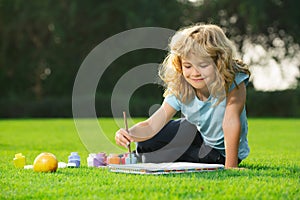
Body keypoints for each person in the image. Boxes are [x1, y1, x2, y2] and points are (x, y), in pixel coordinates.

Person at [115, 23, 251, 169]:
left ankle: (144, 157)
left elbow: (230, 121)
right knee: (143, 142)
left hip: (220, 152)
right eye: (188, 66)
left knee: (152, 158)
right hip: (198, 134)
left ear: (219, 62)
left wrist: (231, 165)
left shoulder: (232, 80)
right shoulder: (182, 86)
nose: (195, 73)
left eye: (203, 65)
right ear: (180, 65)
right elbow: (152, 124)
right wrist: (128, 134)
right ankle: (138, 154)